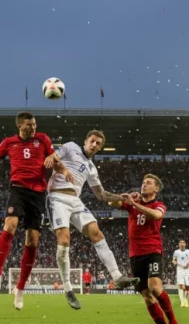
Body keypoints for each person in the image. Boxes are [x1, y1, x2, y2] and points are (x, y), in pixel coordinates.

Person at [0, 111, 75, 310]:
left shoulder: (43, 139)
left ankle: (19, 289)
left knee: (32, 240)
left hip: (38, 194)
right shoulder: (9, 142)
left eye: (34, 124)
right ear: (19, 126)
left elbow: (54, 158)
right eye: (29, 125)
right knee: (10, 224)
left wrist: (63, 169)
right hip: (18, 189)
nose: (33, 127)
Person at [46, 130, 131, 310]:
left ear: (100, 148)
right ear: (85, 141)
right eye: (92, 141)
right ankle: (68, 289)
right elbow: (53, 157)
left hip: (75, 201)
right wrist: (58, 164)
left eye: (98, 144)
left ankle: (117, 276)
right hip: (57, 197)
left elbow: (101, 195)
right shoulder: (71, 147)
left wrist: (121, 198)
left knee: (96, 233)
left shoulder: (91, 168)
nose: (94, 145)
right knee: (64, 241)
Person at [109, 174, 180, 324]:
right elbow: (111, 202)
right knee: (147, 297)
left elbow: (155, 215)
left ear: (156, 188)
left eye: (148, 183)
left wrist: (135, 204)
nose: (144, 185)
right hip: (135, 255)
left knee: (155, 288)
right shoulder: (133, 202)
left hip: (152, 251)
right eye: (143, 182)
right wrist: (123, 197)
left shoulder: (158, 205)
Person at [172, 240, 189, 308]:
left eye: (183, 243)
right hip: (180, 270)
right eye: (180, 243)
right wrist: (174, 262)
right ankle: (182, 302)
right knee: (181, 286)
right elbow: (173, 260)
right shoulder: (176, 252)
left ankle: (186, 300)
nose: (182, 244)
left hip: (187, 270)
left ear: (185, 244)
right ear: (179, 244)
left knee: (188, 287)